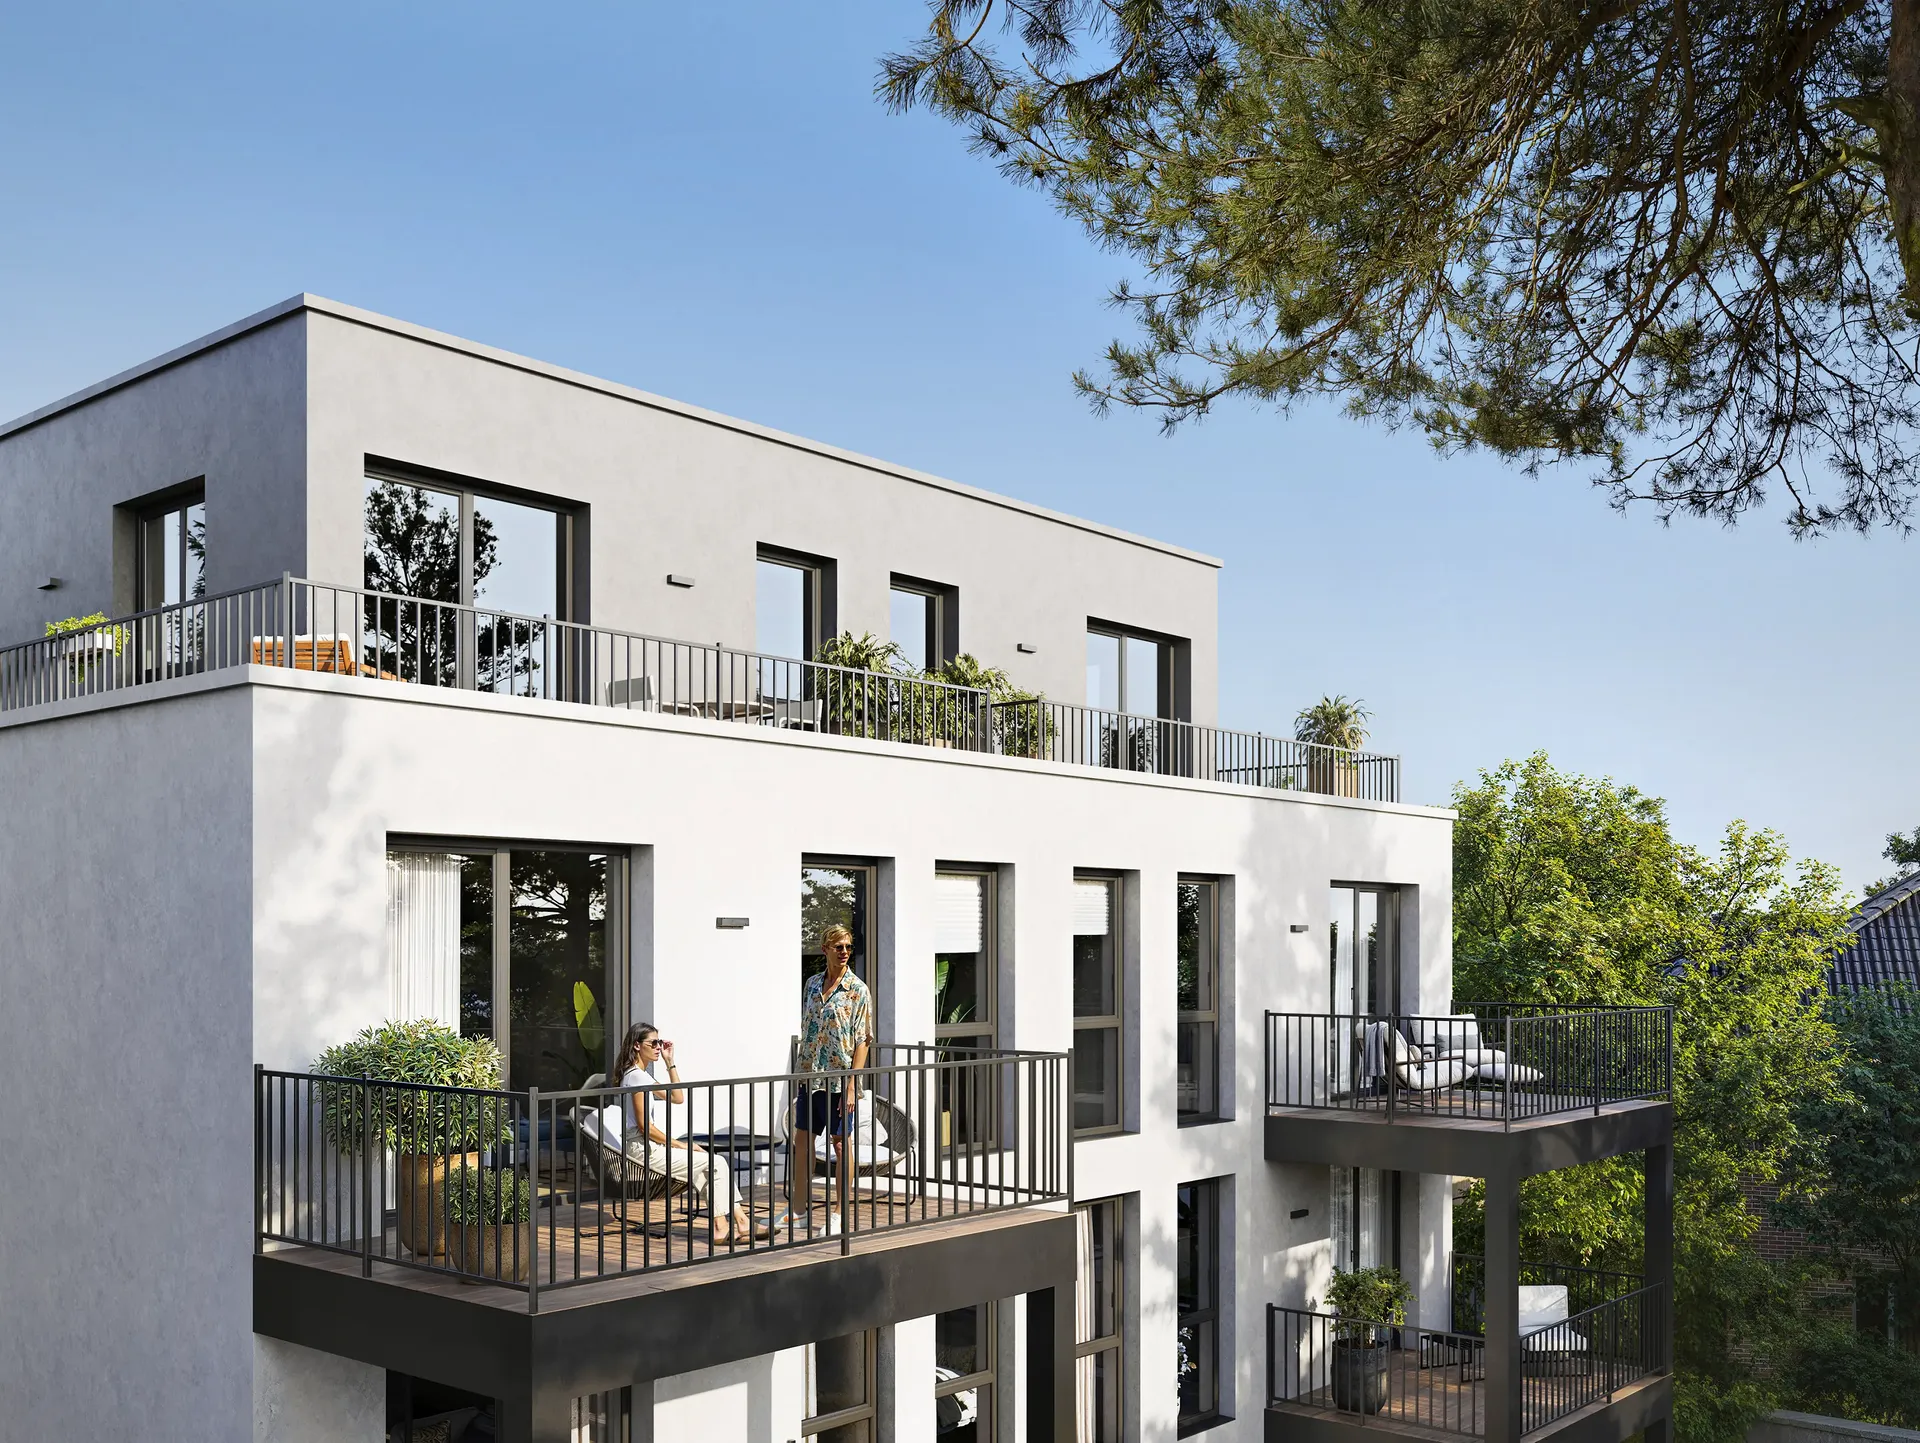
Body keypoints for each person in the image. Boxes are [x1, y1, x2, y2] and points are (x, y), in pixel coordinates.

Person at [610, 1023, 760, 1245]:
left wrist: (670, 1062)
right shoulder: (636, 1078)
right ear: (637, 1046)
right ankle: (728, 1225)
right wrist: (680, 1145)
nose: (658, 1047)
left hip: (647, 1147)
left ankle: (738, 1222)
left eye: (659, 1042)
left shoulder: (639, 1075)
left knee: (703, 1169)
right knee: (716, 1162)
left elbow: (677, 1097)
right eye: (653, 1043)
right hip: (642, 1151)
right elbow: (645, 1127)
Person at [782, 923, 873, 1224]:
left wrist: (851, 1085)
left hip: (839, 1078)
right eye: (839, 947)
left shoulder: (858, 990)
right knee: (803, 1140)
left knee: (840, 1143)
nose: (845, 952)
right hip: (809, 1075)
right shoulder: (811, 984)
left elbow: (863, 1040)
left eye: (848, 946)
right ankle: (797, 1210)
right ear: (825, 950)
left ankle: (839, 1213)